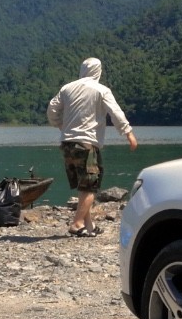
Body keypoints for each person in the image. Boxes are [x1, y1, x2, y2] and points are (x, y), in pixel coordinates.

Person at [47, 57, 137, 237]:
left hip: (67, 144)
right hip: (86, 144)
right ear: (98, 71)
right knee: (90, 187)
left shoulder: (67, 88)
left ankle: (89, 226)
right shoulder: (101, 90)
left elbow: (52, 109)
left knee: (83, 186)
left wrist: (59, 125)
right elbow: (116, 113)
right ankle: (77, 223)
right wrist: (128, 133)